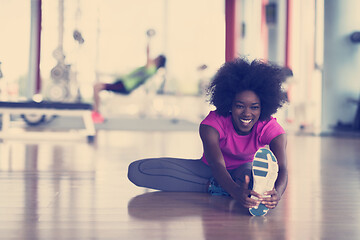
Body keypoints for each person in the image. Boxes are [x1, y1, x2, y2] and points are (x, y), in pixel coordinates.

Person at [127, 57, 288, 216]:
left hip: (243, 170)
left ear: (263, 108)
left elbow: (283, 167)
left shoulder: (270, 128)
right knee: (137, 171)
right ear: (230, 105)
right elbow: (216, 164)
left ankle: (237, 189)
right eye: (240, 106)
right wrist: (234, 191)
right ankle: (218, 188)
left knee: (249, 178)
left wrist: (278, 193)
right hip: (208, 169)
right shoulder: (211, 124)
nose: (247, 113)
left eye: (254, 107)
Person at [91, 48, 166, 123]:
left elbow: (148, 63)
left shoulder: (152, 70)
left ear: (158, 61)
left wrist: (148, 50)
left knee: (97, 87)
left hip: (125, 86)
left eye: (156, 58)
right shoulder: (152, 69)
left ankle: (97, 113)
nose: (154, 58)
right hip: (123, 84)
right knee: (97, 87)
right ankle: (97, 112)